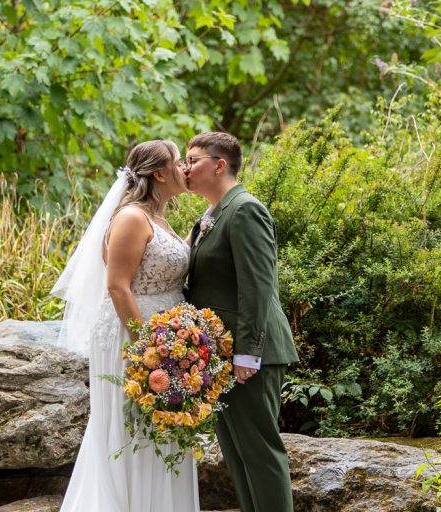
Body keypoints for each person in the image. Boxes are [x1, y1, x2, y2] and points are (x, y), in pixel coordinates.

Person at [50, 140, 199, 512]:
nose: (184, 169)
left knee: (163, 424)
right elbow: (117, 285)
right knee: (131, 425)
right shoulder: (131, 216)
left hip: (166, 335)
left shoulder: (158, 219)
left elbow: (161, 265)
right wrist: (147, 346)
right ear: (159, 173)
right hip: (132, 333)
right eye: (179, 162)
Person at [183, 131, 299, 512]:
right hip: (220, 354)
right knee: (237, 455)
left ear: (219, 165)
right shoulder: (212, 214)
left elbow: (257, 287)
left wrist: (248, 353)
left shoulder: (246, 209)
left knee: (260, 454)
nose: (185, 167)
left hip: (250, 355)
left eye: (192, 159)